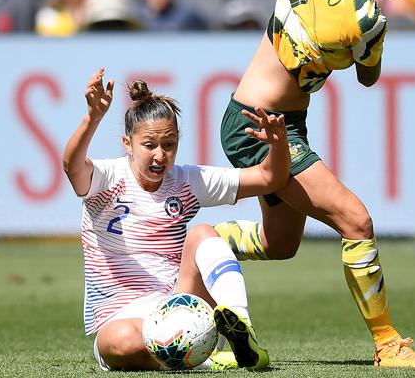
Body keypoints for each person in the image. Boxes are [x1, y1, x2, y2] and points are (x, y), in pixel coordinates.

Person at [160, 0, 415, 368]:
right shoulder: (365, 21)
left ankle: (204, 241)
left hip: (265, 119)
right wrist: (367, 41)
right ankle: (388, 343)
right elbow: (368, 78)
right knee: (356, 220)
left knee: (279, 244)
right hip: (261, 126)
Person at [63, 68, 291, 371]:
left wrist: (278, 145)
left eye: (169, 145)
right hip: (119, 315)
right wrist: (92, 118)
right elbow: (71, 166)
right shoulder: (107, 178)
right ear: (127, 143)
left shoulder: (186, 181)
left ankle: (242, 330)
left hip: (181, 308)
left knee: (202, 233)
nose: (160, 155)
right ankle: (208, 362)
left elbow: (269, 177)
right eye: (149, 145)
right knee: (118, 341)